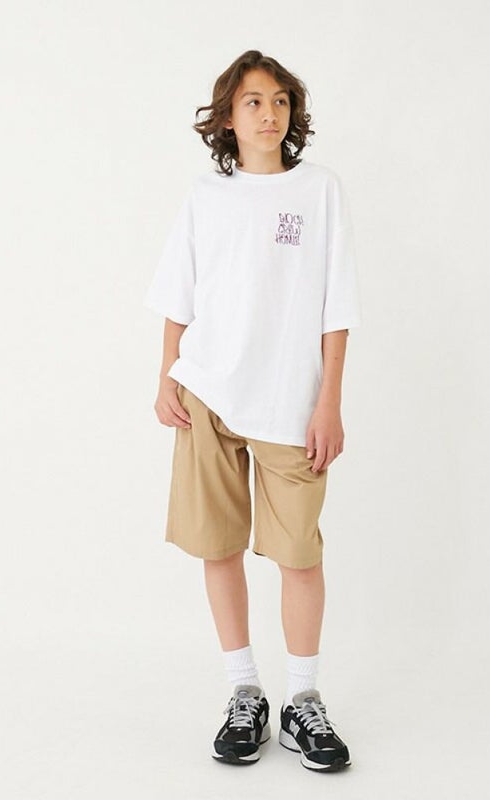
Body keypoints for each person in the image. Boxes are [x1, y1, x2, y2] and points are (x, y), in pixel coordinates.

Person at [143, 49, 361, 772]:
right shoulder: (206, 195)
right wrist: (167, 376)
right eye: (253, 103)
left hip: (290, 403)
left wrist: (329, 400)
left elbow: (337, 306)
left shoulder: (319, 190)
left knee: (299, 555)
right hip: (207, 393)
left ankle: (303, 700)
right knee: (219, 545)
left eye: (280, 101)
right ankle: (245, 691)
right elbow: (180, 292)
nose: (270, 114)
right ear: (228, 118)